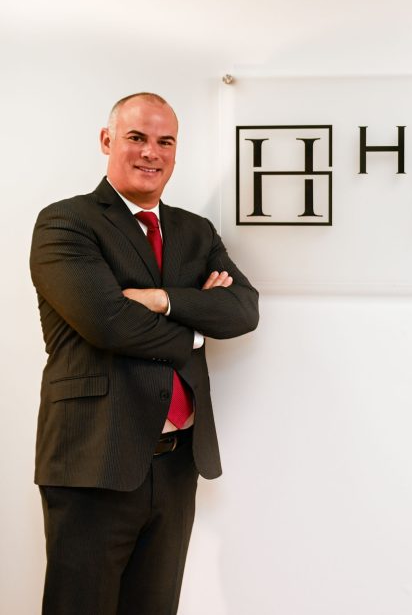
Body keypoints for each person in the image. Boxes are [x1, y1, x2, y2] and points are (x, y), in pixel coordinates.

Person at [29, 92, 259, 614]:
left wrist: (160, 299)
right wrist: (198, 326)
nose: (150, 153)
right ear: (108, 140)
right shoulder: (67, 224)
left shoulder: (194, 232)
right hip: (94, 460)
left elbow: (243, 310)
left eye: (164, 141)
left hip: (177, 462)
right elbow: (107, 322)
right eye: (136, 137)